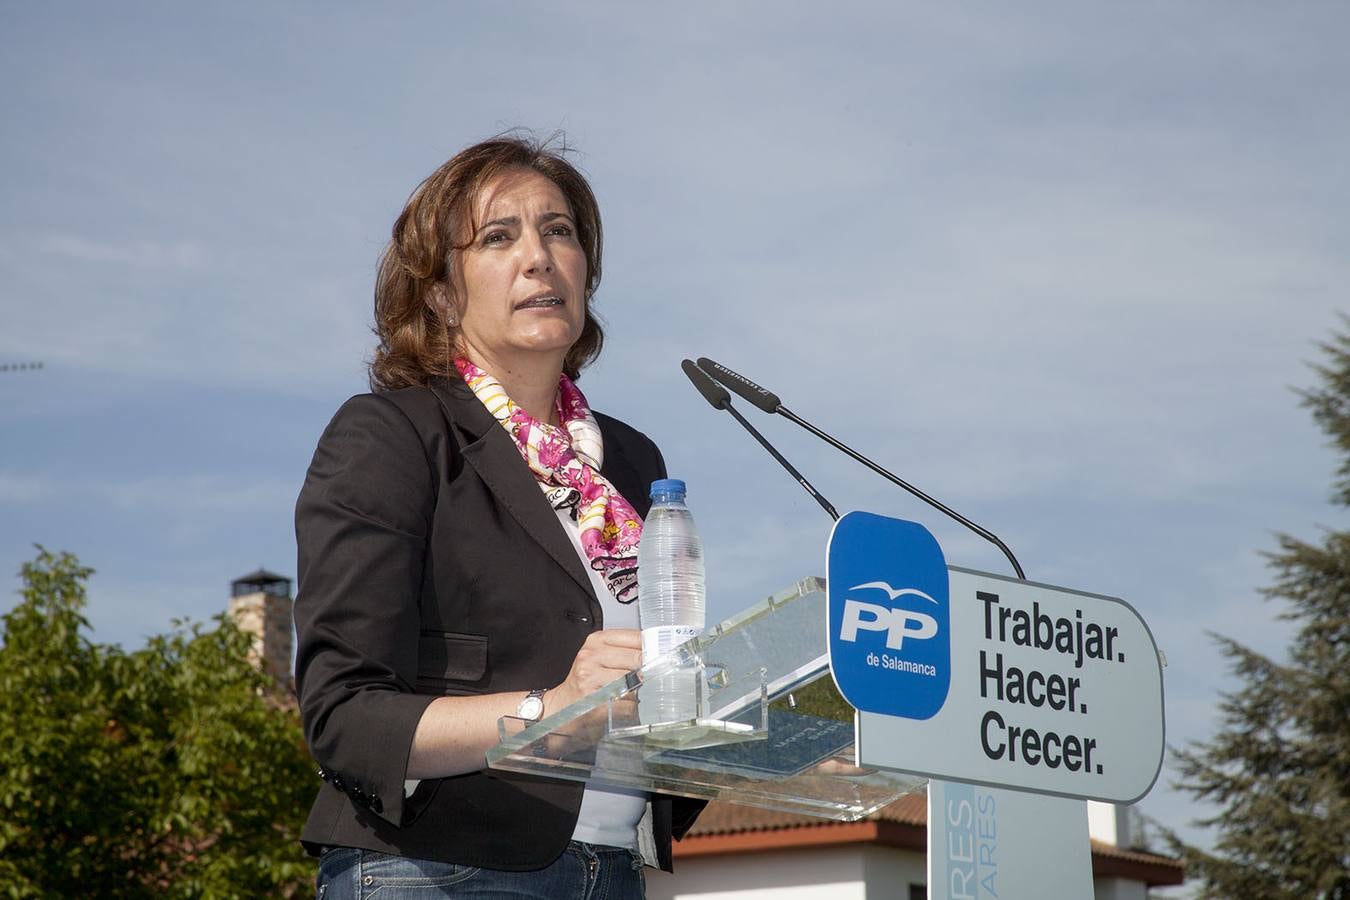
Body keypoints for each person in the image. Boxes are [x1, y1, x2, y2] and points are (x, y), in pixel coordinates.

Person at [293, 135, 704, 898]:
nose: (540, 257)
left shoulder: (633, 461)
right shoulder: (394, 436)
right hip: (440, 868)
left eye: (560, 231)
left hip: (614, 870)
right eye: (497, 237)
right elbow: (346, 718)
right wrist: (551, 712)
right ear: (443, 293)